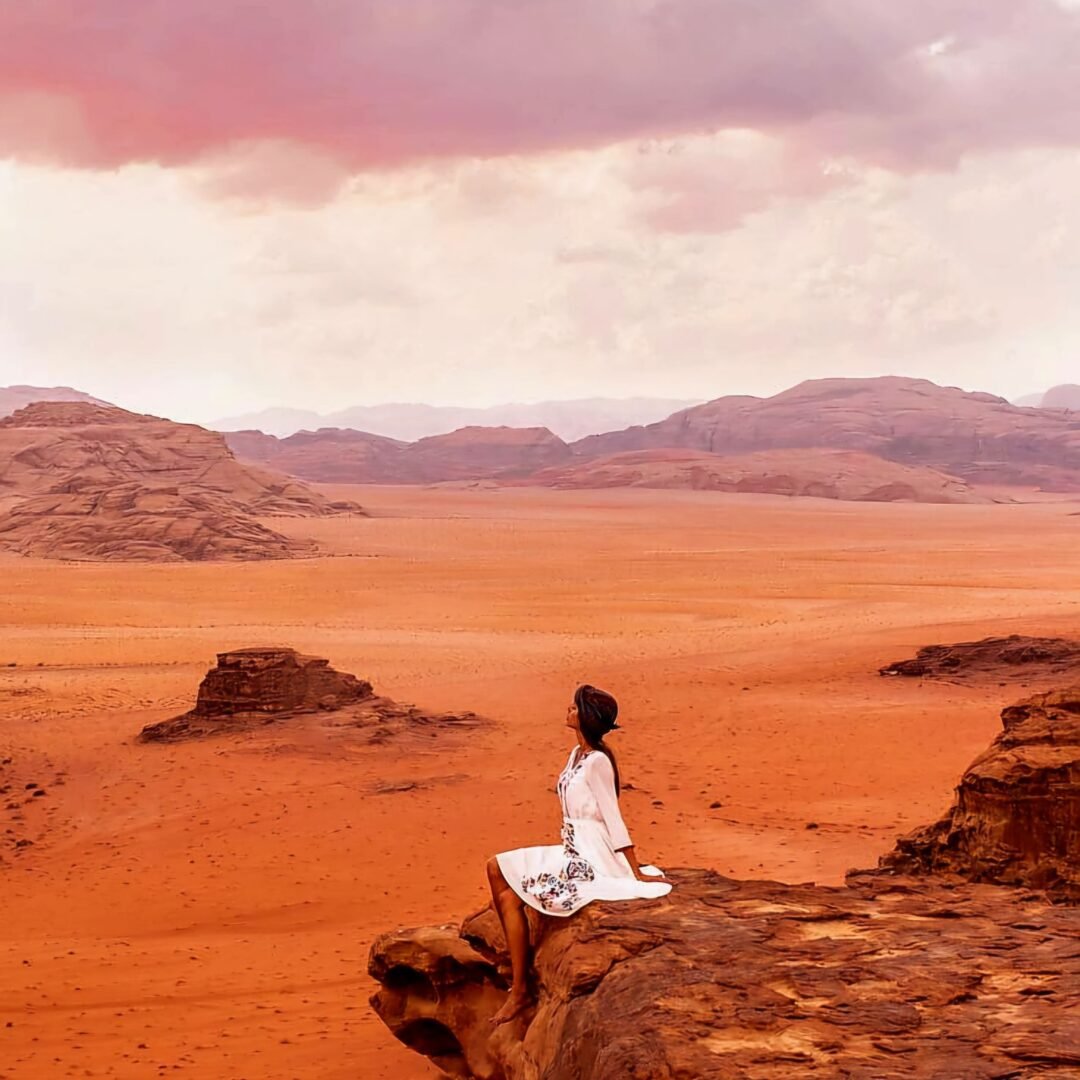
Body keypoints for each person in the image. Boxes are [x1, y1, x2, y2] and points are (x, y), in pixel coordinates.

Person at [484, 684, 672, 1025]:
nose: (567, 710)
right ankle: (519, 982)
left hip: (591, 854)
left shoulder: (598, 761)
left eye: (573, 707)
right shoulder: (577, 755)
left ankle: (520, 991)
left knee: (510, 897)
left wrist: (634, 869)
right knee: (495, 867)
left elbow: (613, 817)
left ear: (584, 717)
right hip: (572, 843)